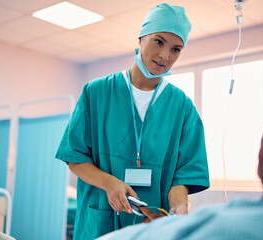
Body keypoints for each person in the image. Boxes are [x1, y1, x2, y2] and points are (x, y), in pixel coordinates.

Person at [99, 65, 263, 240]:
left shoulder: (231, 227)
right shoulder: (99, 93)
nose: (165, 56)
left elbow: (187, 168)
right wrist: (170, 223)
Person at [55, 3, 210, 240]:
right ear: (141, 38)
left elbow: (183, 177)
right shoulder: (95, 93)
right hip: (99, 224)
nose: (165, 56)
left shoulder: (183, 107)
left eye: (176, 49)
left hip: (152, 228)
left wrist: (180, 207)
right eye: (158, 41)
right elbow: (75, 159)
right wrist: (108, 183)